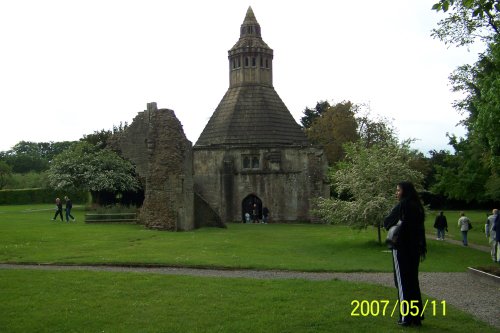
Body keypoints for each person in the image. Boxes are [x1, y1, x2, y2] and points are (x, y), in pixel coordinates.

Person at [384, 181, 426, 327]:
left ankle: (405, 317)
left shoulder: (403, 205)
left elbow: (387, 222)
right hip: (414, 249)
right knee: (413, 282)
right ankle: (416, 316)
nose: (396, 193)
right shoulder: (418, 207)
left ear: (404, 192)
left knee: (402, 283)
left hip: (401, 248)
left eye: (398, 190)